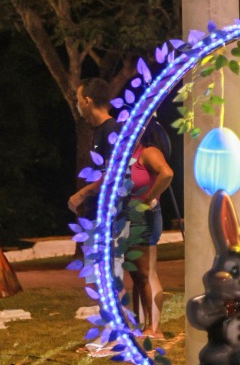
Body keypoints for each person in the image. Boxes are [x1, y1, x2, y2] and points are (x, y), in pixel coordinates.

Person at [69, 78, 173, 337]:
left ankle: (150, 328)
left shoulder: (133, 144)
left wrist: (148, 199)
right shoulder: (104, 135)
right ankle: (137, 327)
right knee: (132, 274)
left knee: (143, 273)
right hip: (123, 214)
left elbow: (159, 174)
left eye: (78, 100)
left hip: (137, 215)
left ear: (87, 101)